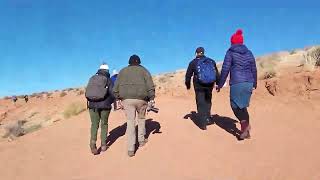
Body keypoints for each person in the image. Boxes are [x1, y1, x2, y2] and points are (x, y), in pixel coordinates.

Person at [216, 29, 257, 140]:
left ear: (232, 42)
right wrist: (255, 83)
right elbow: (254, 68)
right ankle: (246, 130)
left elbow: (225, 69)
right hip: (249, 82)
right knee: (243, 106)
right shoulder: (249, 52)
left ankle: (244, 125)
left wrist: (219, 84)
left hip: (237, 83)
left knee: (234, 105)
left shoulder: (230, 52)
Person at [113, 55, 155, 157]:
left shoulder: (122, 71)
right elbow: (150, 85)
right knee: (141, 119)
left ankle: (131, 148)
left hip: (127, 100)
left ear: (129, 62)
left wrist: (118, 98)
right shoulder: (144, 70)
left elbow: (115, 88)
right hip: (142, 99)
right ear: (139, 62)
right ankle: (141, 140)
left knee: (130, 122)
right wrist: (152, 98)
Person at [185, 47, 220, 130]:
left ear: (196, 53)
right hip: (210, 85)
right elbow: (216, 73)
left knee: (200, 102)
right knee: (208, 101)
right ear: (203, 52)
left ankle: (203, 123)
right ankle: (208, 118)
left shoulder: (193, 62)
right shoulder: (211, 61)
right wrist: (218, 84)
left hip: (199, 85)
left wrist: (188, 85)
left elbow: (188, 75)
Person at [86, 64, 114, 155]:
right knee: (104, 124)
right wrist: (112, 101)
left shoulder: (92, 78)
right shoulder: (108, 80)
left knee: (94, 124)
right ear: (107, 71)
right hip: (105, 106)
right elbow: (113, 93)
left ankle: (92, 143)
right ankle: (103, 145)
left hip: (92, 106)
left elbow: (87, 92)